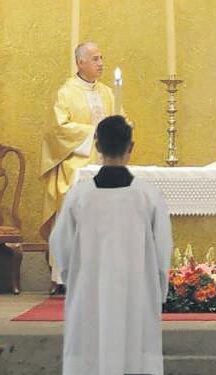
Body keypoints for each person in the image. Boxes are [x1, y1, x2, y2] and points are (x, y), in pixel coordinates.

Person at [50, 115, 172, 375]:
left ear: (97, 145)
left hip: (89, 292)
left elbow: (60, 245)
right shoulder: (148, 195)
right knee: (135, 355)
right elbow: (163, 249)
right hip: (137, 292)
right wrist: (158, 289)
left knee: (90, 353)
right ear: (131, 147)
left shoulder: (79, 195)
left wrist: (76, 279)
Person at [41, 42, 120, 294]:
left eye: (101, 58)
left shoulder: (108, 92)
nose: (101, 63)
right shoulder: (66, 92)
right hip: (77, 162)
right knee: (72, 211)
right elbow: (58, 128)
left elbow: (121, 119)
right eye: (95, 59)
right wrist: (95, 132)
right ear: (80, 63)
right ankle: (64, 277)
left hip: (106, 161)